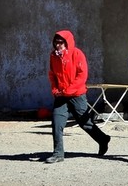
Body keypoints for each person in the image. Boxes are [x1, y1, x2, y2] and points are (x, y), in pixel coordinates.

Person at [47, 30, 111, 163]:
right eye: (56, 43)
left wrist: (69, 90)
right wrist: (55, 89)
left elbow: (82, 76)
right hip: (61, 96)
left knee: (85, 123)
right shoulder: (53, 56)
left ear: (67, 42)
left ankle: (103, 139)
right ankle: (58, 153)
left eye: (61, 43)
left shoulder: (77, 54)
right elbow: (52, 75)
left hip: (77, 94)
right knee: (56, 122)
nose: (58, 45)